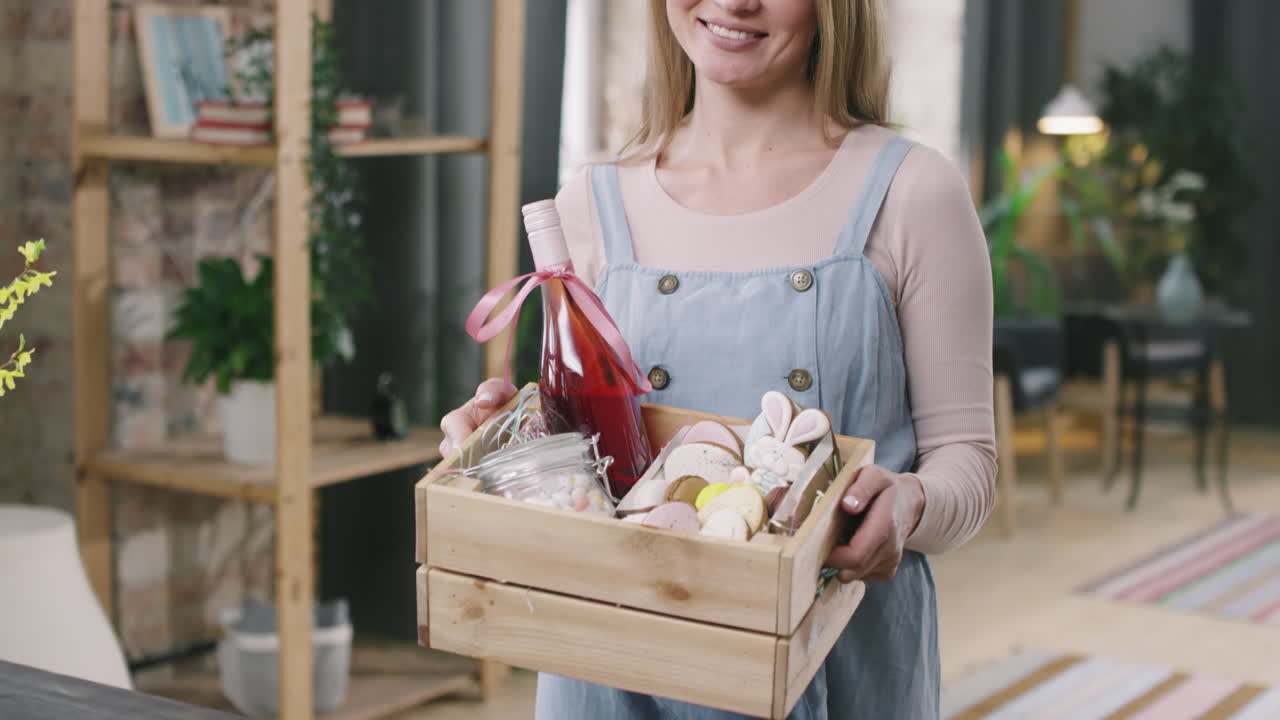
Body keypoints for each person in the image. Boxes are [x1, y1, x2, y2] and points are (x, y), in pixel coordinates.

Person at [439, 0, 996, 717]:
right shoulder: (589, 204)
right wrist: (498, 450)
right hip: (610, 675)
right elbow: (582, 453)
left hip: (836, 667)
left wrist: (912, 503)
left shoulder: (912, 192)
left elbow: (967, 462)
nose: (736, 3)